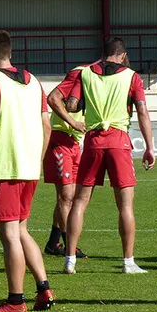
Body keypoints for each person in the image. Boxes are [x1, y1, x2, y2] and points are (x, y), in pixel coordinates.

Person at [0, 30, 55, 312]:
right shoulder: (34, 81)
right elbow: (47, 125)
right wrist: (37, 159)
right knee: (21, 230)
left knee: (9, 235)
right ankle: (44, 288)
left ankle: (15, 300)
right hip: (30, 166)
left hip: (6, 166)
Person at [63, 38, 156, 275]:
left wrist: (79, 107)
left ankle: (70, 260)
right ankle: (128, 262)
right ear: (123, 56)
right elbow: (142, 111)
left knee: (80, 202)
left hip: (93, 140)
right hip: (119, 141)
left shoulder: (86, 74)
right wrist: (149, 146)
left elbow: (72, 104)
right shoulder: (132, 76)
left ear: (103, 54)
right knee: (125, 205)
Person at [41, 62, 96, 259]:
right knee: (66, 197)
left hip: (74, 143)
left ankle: (53, 243)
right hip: (60, 140)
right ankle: (69, 245)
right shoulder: (80, 75)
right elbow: (53, 99)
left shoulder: (93, 79)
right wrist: (72, 121)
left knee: (68, 197)